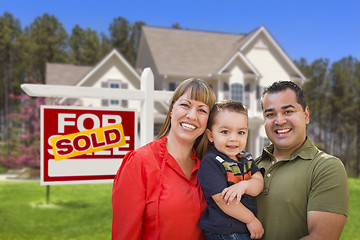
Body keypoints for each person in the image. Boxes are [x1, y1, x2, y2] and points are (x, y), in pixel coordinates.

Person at [112, 77, 216, 240]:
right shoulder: (139, 162)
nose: (192, 115)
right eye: (185, 105)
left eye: (202, 110)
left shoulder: (209, 167)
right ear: (171, 109)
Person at [256, 81, 349, 240]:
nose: (279, 121)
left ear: (306, 115)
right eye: (270, 114)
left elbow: (321, 237)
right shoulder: (253, 166)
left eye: (288, 111)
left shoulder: (325, 167)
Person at [198, 100, 265, 240]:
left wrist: (244, 185)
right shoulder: (211, 161)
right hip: (224, 231)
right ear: (210, 135)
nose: (233, 138)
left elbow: (258, 183)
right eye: (225, 132)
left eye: (241, 132)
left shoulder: (246, 159)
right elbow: (223, 200)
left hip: (243, 228)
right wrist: (251, 220)